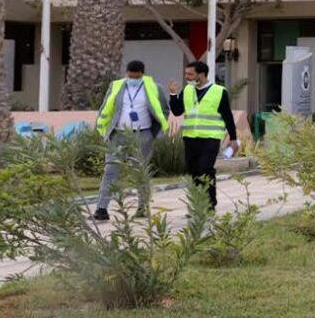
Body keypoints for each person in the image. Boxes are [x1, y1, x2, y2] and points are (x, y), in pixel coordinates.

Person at [92, 60, 169, 222]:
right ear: (126, 73)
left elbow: (164, 109)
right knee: (110, 170)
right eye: (130, 75)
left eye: (136, 76)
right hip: (118, 134)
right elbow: (105, 106)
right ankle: (101, 208)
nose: (133, 78)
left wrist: (154, 132)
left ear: (142, 74)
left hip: (142, 134)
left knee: (139, 171)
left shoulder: (155, 87)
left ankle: (142, 207)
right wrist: (104, 129)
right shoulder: (116, 86)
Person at [167, 61, 238, 211]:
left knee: (205, 169)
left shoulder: (219, 91)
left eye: (190, 74)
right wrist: (173, 94)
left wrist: (233, 139)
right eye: (186, 74)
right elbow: (177, 111)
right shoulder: (187, 90)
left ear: (201, 74)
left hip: (210, 138)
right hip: (190, 138)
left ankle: (210, 204)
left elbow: (228, 117)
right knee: (194, 171)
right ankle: (198, 205)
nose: (187, 77)